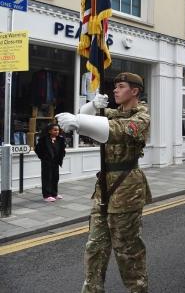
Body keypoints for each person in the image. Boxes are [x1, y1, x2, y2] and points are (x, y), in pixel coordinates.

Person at [56, 72, 151, 293]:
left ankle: (138, 290)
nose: (115, 90)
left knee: (128, 251)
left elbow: (118, 131)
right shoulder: (113, 112)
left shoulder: (142, 117)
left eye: (120, 86)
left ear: (134, 91)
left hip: (127, 189)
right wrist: (91, 105)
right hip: (104, 190)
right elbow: (87, 116)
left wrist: (79, 121)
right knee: (95, 248)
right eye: (115, 86)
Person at [35, 123, 66, 202]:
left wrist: (62, 156)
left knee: (55, 178)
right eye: (55, 130)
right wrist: (44, 158)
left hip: (56, 162)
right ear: (49, 131)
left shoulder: (60, 139)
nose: (57, 131)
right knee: (47, 178)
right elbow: (38, 150)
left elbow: (62, 150)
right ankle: (47, 195)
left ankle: (54, 194)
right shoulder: (44, 139)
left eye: (58, 130)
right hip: (47, 162)